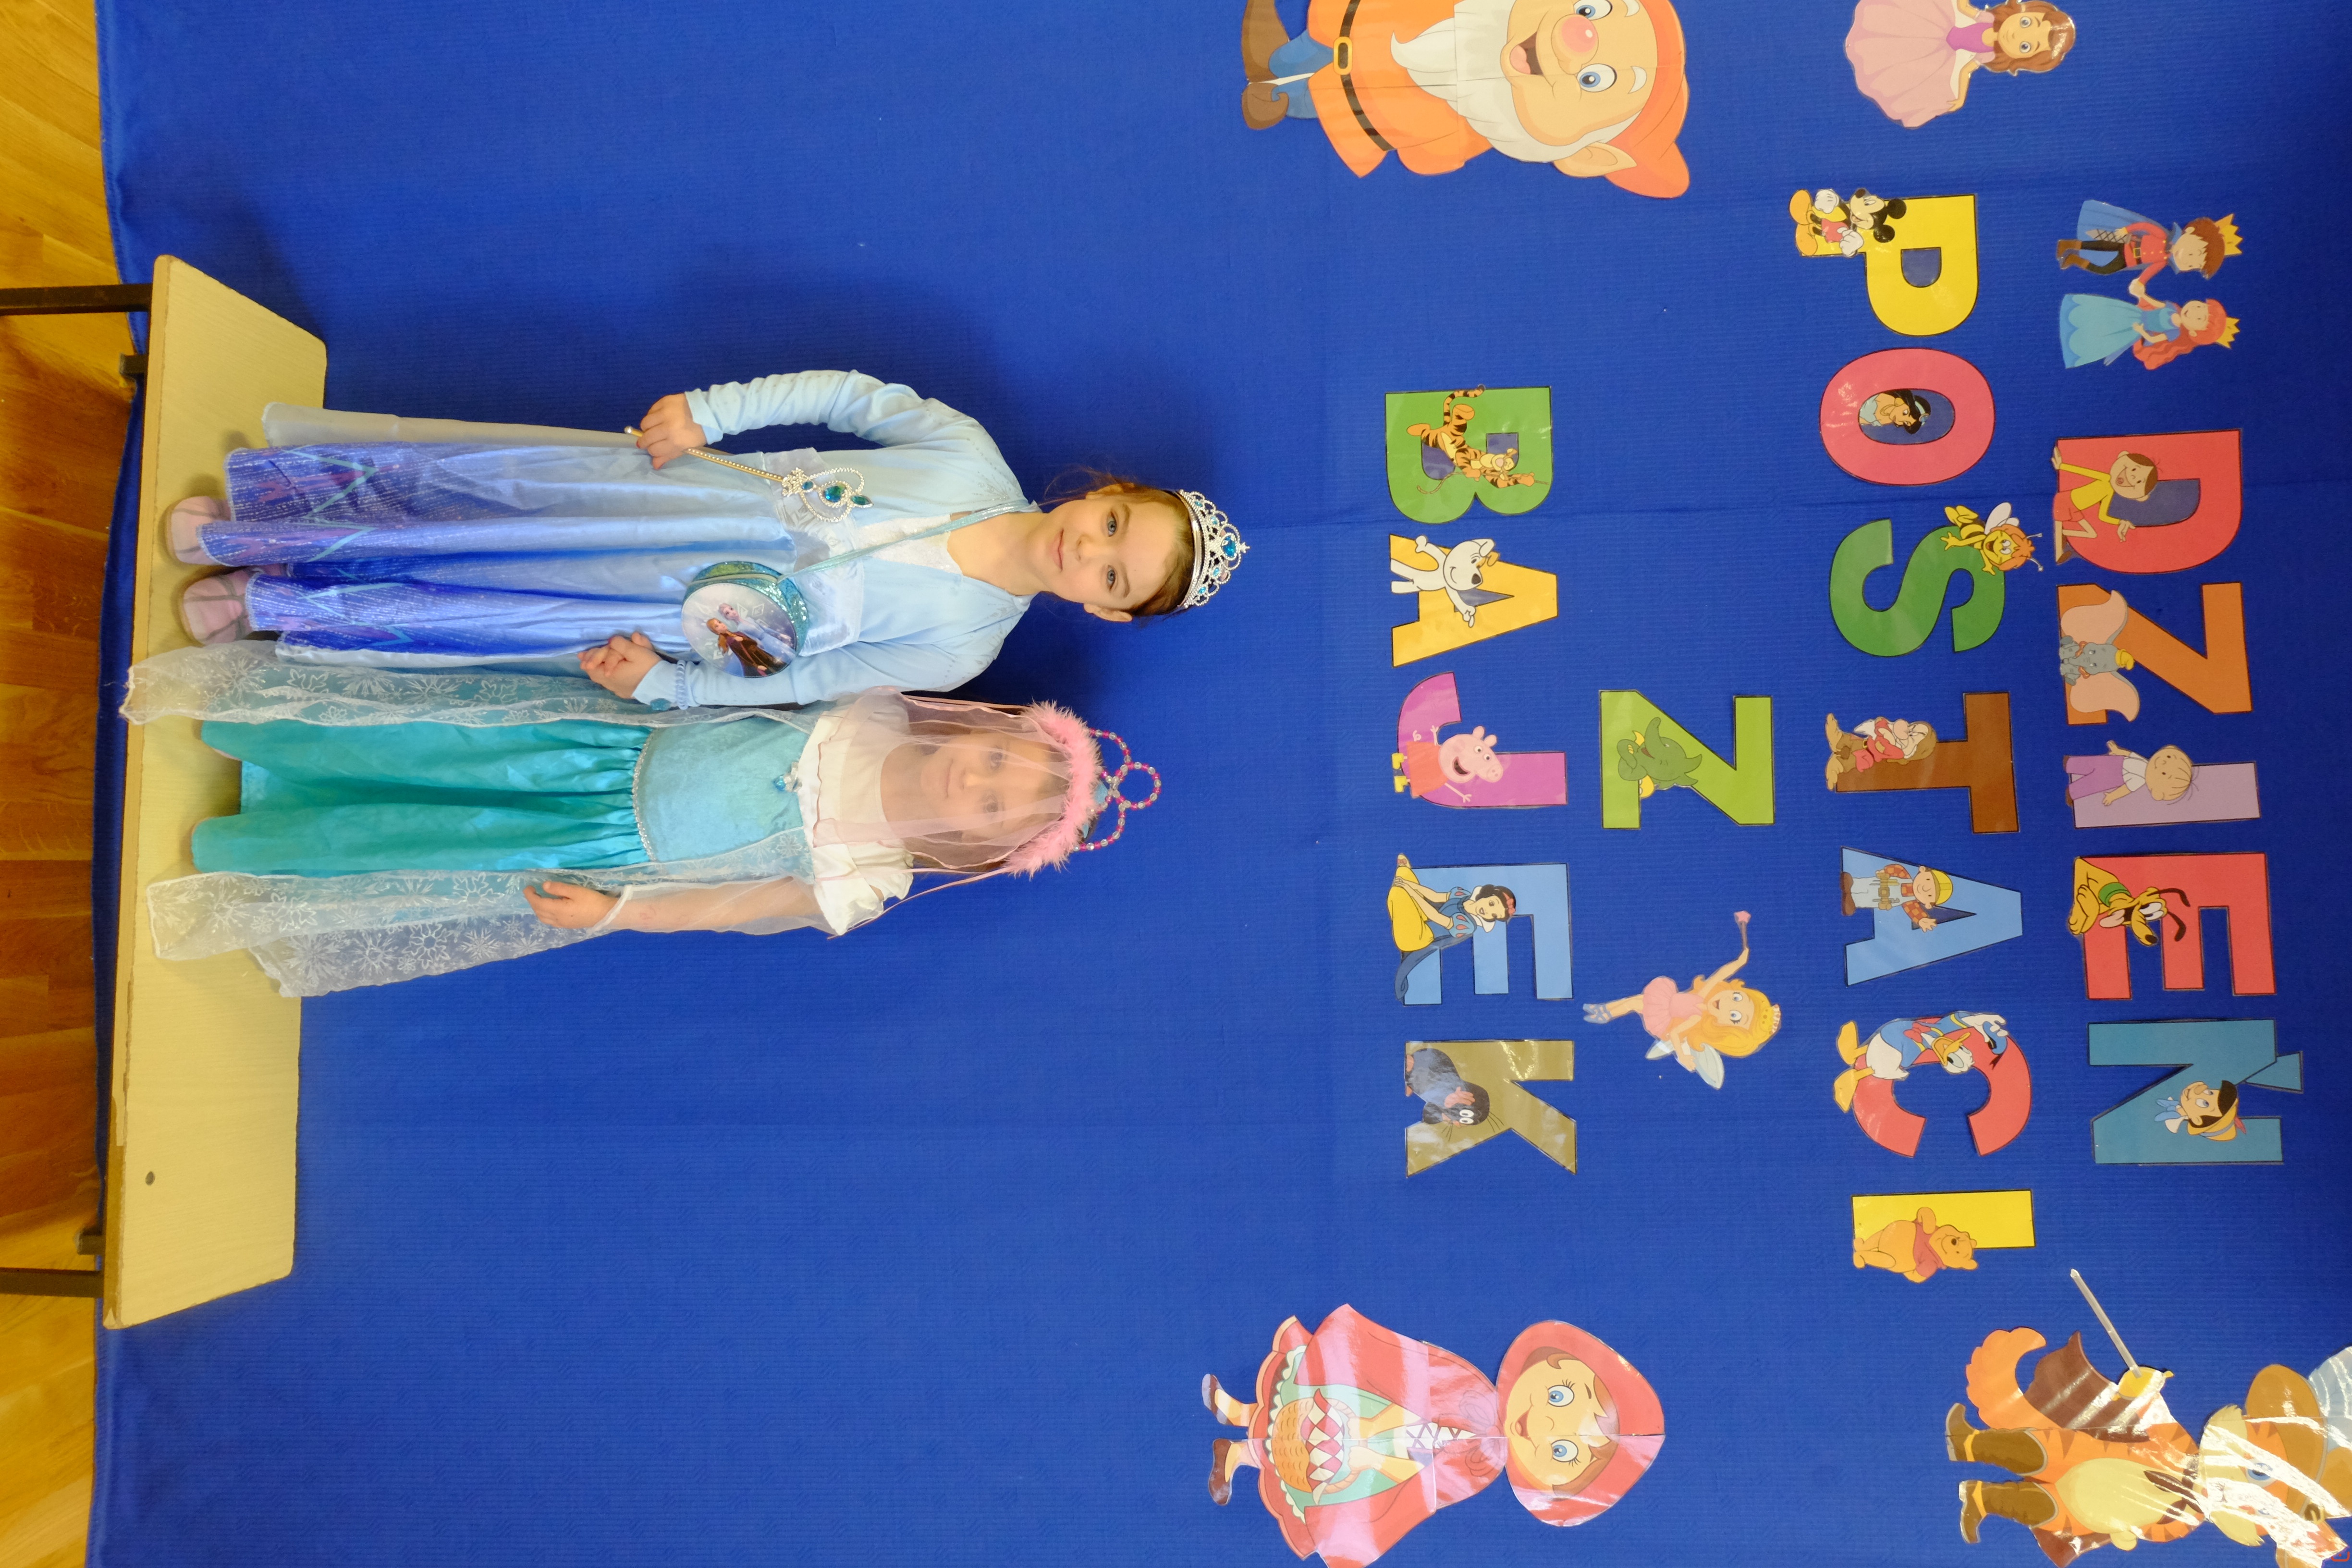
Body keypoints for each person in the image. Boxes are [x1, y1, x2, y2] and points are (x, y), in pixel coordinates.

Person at [168, 370, 1246, 707]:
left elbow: (803, 685)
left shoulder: (964, 647)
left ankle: (275, 605)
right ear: (1104, 492)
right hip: (660, 506)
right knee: (487, 508)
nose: (1088, 549)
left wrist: (670, 689)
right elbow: (845, 395)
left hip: (661, 615)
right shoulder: (967, 455)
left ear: (1105, 609)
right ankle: (259, 525)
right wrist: (713, 415)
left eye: (1115, 575)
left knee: (489, 600)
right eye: (1112, 523)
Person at [122, 646, 1160, 995]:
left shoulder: (870, 875)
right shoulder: (873, 710)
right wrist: (656, 678)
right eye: (994, 760)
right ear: (984, 727)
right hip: (606, 745)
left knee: (437, 839)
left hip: (610, 848)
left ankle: (248, 847)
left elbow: (733, 906)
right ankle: (264, 738)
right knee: (437, 748)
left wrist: (618, 910)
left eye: (991, 806)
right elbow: (748, 685)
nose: (972, 781)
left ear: (981, 847)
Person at [1201, 1307, 1664, 1567]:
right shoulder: (1473, 1386)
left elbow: (1429, 1492)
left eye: (1562, 1451)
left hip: (1384, 1467)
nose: (1540, 1427)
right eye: (1558, 1397)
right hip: (1372, 1403)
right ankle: (1238, 1410)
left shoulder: (1482, 1470)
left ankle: (1237, 1454)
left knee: (1313, 1461)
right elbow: (1409, 1367)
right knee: (1310, 1407)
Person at [1581, 910, 1779, 1089]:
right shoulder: (1703, 994)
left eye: (1734, 1016)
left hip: (1662, 1013)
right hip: (1664, 997)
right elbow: (1722, 974)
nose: (1727, 1004)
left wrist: (1683, 1056)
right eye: (1737, 997)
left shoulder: (1697, 1017)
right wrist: (1741, 960)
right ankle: (1603, 1011)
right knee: (1632, 1002)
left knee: (1632, 1004)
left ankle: (1604, 1014)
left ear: (1725, 1028)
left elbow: (1676, 1033)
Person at [1844, 0, 2076, 128]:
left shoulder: (1987, 56)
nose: (2016, 35)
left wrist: (1961, 98)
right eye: (2025, 23)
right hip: (1939, 22)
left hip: (1941, 56)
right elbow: (1965, 9)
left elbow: (1966, 70)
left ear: (2021, 59)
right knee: (1903, 27)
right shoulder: (1987, 19)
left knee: (1907, 60)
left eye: (2026, 46)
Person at [2060, 294, 2237, 370]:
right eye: (2200, 307)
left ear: (2194, 333)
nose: (2193, 311)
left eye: (2199, 319)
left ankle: (2080, 343)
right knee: (2110, 314)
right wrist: (2142, 295)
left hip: (2138, 327)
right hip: (2136, 313)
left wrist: (2141, 332)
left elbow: (2157, 339)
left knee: (2113, 332)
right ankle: (2077, 318)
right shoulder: (2173, 308)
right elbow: (2156, 304)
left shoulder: (2175, 333)